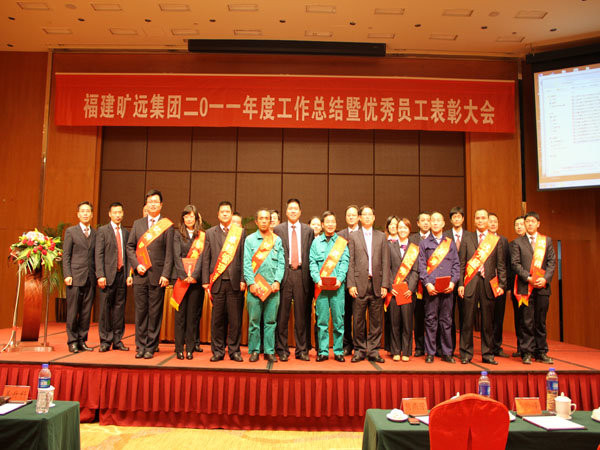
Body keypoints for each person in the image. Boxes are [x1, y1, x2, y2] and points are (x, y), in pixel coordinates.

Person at [126, 189, 174, 359]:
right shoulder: (137, 223)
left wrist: (166, 274)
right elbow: (130, 247)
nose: (153, 204)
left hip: (158, 275)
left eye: (156, 202)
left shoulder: (167, 225)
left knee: (155, 313)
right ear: (146, 205)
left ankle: (151, 347)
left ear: (161, 205)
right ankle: (140, 345)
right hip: (140, 274)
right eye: (150, 201)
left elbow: (169, 253)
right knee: (141, 312)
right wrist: (136, 265)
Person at [457, 209, 507, 365]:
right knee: (467, 321)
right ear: (474, 220)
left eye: (483, 218)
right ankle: (466, 353)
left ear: (488, 220)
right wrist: (460, 284)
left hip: (488, 284)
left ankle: (487, 354)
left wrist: (502, 284)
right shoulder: (467, 238)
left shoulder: (495, 240)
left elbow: (501, 265)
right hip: (470, 283)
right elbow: (461, 263)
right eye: (477, 218)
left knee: (488, 322)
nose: (480, 220)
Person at [202, 201, 246, 362]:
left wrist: (243, 279)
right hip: (217, 282)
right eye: (222, 212)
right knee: (217, 320)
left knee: (235, 320)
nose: (225, 214)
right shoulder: (210, 233)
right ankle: (218, 351)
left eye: (228, 211)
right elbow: (206, 258)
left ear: (231, 214)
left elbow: (243, 257)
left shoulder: (239, 233)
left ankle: (234, 351)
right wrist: (205, 280)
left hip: (235, 283)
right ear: (218, 214)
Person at [511, 211, 556, 365]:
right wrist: (528, 277)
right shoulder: (517, 242)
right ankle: (527, 352)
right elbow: (515, 264)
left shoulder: (546, 241)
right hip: (525, 287)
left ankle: (541, 352)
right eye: (527, 221)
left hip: (542, 288)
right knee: (527, 321)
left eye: (532, 221)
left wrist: (545, 279)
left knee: (540, 321)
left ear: (538, 223)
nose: (530, 224)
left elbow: (551, 262)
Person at [347, 205, 390, 363]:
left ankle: (373, 350)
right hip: (359, 284)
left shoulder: (381, 236)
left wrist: (385, 284)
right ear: (359, 218)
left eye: (369, 214)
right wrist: (351, 284)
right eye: (363, 214)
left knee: (376, 321)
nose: (366, 217)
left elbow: (386, 261)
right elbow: (350, 262)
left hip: (377, 283)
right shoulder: (354, 236)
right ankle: (359, 350)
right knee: (358, 320)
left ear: (374, 217)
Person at [274, 199, 314, 361]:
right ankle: (282, 349)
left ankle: (302, 350)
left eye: (295, 208)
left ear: (300, 212)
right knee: (282, 315)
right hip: (284, 274)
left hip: (301, 275)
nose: (293, 211)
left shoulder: (308, 231)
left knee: (301, 315)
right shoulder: (278, 229)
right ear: (286, 211)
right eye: (290, 208)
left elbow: (311, 255)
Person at [243, 208, 285, 363]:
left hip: (272, 289)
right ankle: (254, 351)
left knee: (270, 322)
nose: (264, 221)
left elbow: (281, 263)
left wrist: (277, 281)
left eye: (267, 218)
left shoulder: (277, 240)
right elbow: (247, 264)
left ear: (270, 221)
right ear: (256, 221)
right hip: (255, 288)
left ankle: (269, 351)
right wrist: (251, 283)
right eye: (261, 218)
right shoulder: (250, 240)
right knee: (254, 322)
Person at [418, 211, 459, 364]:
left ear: (443, 223)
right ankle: (430, 352)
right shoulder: (424, 243)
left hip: (447, 289)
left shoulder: (450, 243)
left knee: (446, 321)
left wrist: (453, 282)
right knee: (430, 320)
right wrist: (427, 284)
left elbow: (456, 265)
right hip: (431, 289)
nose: (435, 223)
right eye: (432, 220)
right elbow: (421, 266)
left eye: (438, 220)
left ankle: (447, 352)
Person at [309, 211, 350, 362]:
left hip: (337, 288)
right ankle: (323, 351)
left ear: (336, 224)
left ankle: (338, 351)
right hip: (321, 289)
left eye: (333, 222)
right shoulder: (316, 242)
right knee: (322, 322)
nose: (330, 224)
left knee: (339, 321)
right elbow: (312, 262)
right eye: (327, 222)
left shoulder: (341, 242)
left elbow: (345, 262)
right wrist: (317, 279)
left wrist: (340, 279)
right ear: (322, 225)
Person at [95, 202, 132, 352]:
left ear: (123, 214)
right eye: (115, 212)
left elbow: (128, 256)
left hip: (121, 274)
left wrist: (129, 274)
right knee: (105, 309)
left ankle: (117, 340)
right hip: (107, 276)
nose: (118, 215)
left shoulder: (126, 233)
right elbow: (98, 254)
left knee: (119, 309)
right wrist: (100, 275)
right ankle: (105, 340)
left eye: (120, 212)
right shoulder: (102, 231)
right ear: (109, 214)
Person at [171, 205, 205, 360]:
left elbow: (203, 258)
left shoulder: (202, 236)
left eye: (192, 216)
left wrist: (194, 275)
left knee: (192, 316)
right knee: (180, 316)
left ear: (196, 218)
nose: (189, 219)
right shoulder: (177, 234)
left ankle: (190, 348)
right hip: (181, 280)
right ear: (183, 218)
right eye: (186, 216)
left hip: (196, 282)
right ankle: (179, 348)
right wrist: (184, 275)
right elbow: (176, 256)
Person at [63, 201, 96, 353]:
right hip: (75, 277)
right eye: (82, 211)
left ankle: (82, 340)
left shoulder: (95, 233)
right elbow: (66, 255)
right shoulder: (71, 232)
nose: (85, 214)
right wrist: (67, 274)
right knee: (73, 311)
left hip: (90, 277)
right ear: (78, 214)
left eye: (88, 211)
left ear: (92, 214)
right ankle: (72, 341)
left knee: (86, 311)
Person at [387, 218, 419, 362]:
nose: (402, 230)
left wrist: (411, 288)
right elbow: (386, 268)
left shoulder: (414, 248)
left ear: (409, 229)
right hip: (394, 290)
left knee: (407, 323)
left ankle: (406, 351)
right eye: (400, 227)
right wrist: (390, 286)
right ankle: (395, 350)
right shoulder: (390, 246)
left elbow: (416, 270)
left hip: (407, 291)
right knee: (395, 322)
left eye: (405, 228)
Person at [442, 206, 471, 356]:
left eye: (459, 216)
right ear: (450, 220)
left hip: (466, 282)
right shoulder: (445, 236)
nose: (457, 219)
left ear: (463, 219)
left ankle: (465, 350)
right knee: (448, 317)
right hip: (448, 282)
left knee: (465, 316)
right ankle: (449, 348)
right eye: (454, 217)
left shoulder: (470, 236)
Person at [337, 204, 360, 356]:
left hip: (360, 281)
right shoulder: (340, 235)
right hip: (343, 281)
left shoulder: (364, 234)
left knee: (359, 316)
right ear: (345, 218)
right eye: (348, 215)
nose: (351, 217)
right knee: (345, 315)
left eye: (354, 215)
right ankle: (347, 344)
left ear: (358, 217)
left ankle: (359, 345)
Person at [488, 212, 510, 358]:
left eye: (495, 221)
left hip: (499, 284)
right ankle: (487, 346)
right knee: (487, 317)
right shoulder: (482, 240)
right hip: (485, 283)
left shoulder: (503, 240)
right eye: (490, 221)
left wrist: (504, 284)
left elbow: (506, 264)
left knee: (498, 316)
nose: (493, 224)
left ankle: (497, 346)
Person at [409, 211, 431, 358]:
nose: (426, 223)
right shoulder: (412, 239)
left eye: (428, 220)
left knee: (432, 317)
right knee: (418, 316)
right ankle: (419, 346)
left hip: (432, 283)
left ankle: (433, 347)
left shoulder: (437, 239)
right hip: (416, 285)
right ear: (417, 223)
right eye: (422, 220)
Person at [383, 215, 400, 356]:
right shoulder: (383, 242)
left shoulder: (405, 243)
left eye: (396, 224)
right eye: (391, 224)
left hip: (402, 285)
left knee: (402, 319)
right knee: (389, 318)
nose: (393, 226)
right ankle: (389, 346)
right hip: (388, 285)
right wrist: (389, 285)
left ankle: (400, 347)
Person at [510, 216, 526, 358]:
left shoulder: (538, 245)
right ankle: (522, 347)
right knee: (519, 317)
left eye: (521, 224)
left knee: (532, 319)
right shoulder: (512, 244)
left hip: (532, 285)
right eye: (517, 225)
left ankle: (534, 348)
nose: (519, 227)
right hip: (517, 287)